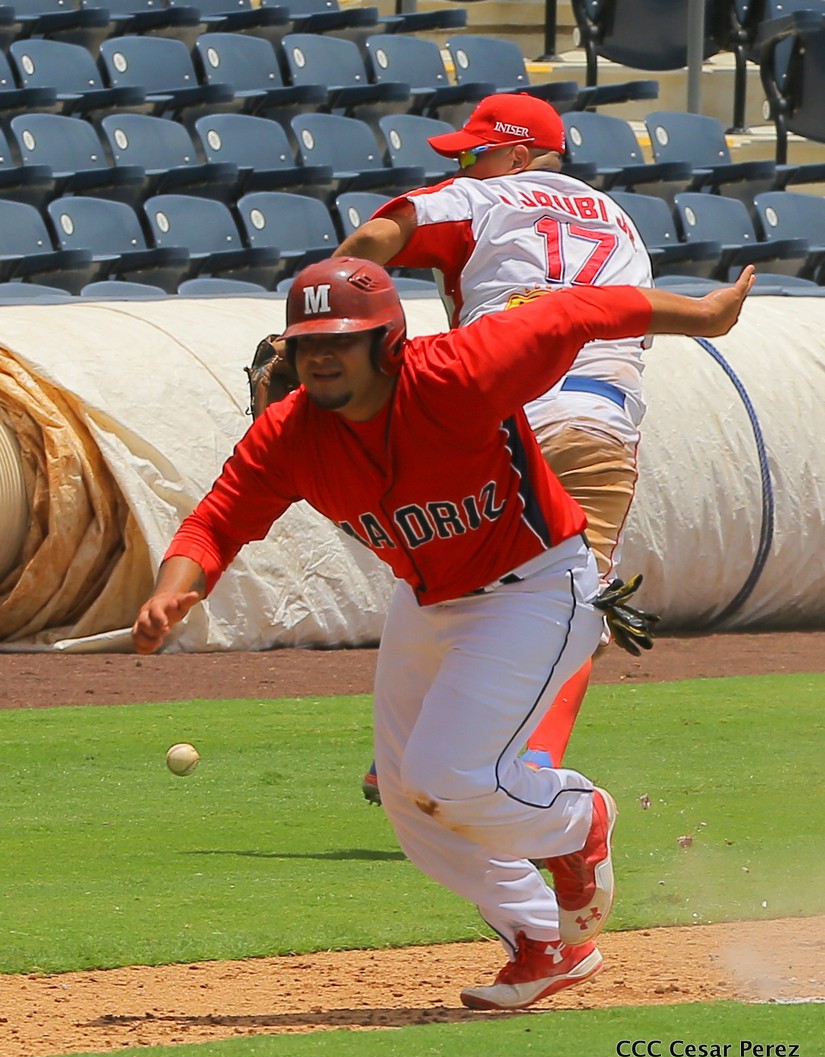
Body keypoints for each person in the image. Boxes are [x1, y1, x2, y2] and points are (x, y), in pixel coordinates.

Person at [132, 256, 754, 1009]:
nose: (318, 356)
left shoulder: (456, 372)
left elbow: (578, 313)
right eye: (306, 342)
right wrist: (173, 591)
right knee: (407, 799)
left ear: (388, 340)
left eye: (341, 339)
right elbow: (214, 522)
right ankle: (541, 941)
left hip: (536, 586)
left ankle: (577, 819)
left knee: (447, 778)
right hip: (428, 601)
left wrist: (706, 316)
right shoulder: (289, 435)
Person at [334, 93, 656, 802]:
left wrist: (335, 311)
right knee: (577, 598)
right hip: (595, 418)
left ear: (515, 154)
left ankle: (435, 749)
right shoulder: (623, 222)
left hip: (497, 412)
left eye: (476, 152)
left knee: (453, 559)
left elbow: (381, 235)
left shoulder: (487, 196)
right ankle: (530, 767)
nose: (468, 165)